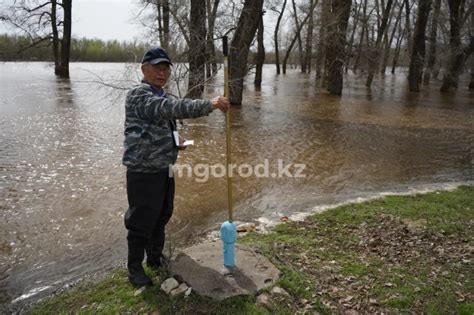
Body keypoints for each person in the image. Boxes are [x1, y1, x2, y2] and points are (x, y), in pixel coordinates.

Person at [122, 47, 230, 286]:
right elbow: (168, 110)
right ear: (144, 69)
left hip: (164, 168)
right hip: (143, 171)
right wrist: (209, 104)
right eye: (157, 68)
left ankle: (154, 258)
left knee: (162, 215)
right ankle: (134, 269)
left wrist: (175, 141)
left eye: (165, 69)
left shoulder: (160, 94)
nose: (162, 73)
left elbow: (161, 122)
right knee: (140, 221)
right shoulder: (139, 95)